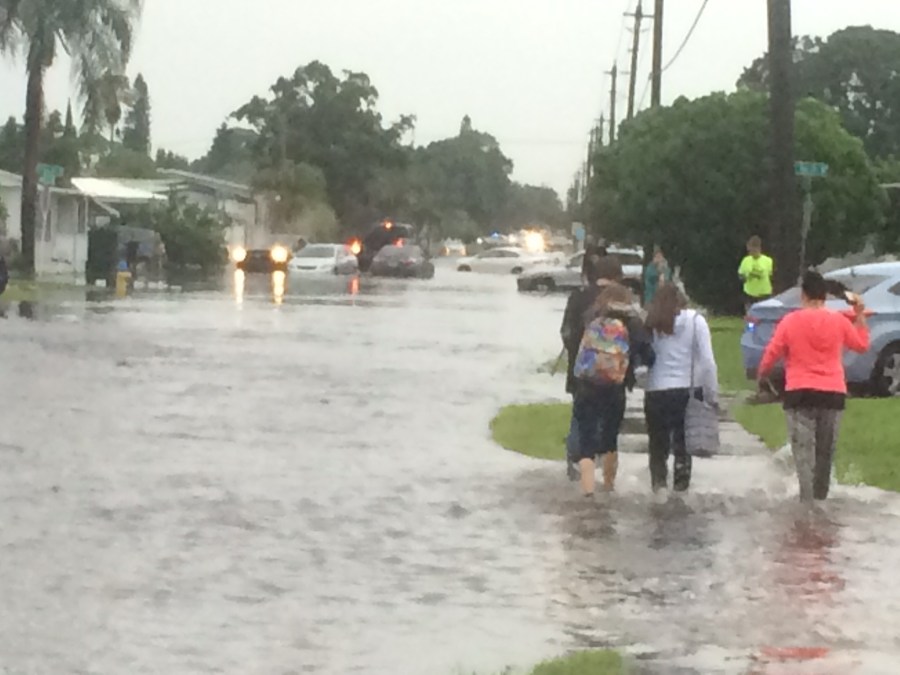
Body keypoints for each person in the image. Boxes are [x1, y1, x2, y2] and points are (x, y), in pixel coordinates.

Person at [757, 271, 869, 502]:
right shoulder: (839, 320)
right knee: (825, 454)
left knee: (803, 455)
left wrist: (762, 375)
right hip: (833, 394)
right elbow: (861, 345)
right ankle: (821, 502)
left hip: (799, 395)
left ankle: (806, 507)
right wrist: (860, 317)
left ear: (803, 295)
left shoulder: (790, 321)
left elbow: (771, 353)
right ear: (825, 296)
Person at [572, 283, 654, 496]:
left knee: (586, 437)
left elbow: (576, 344)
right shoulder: (633, 322)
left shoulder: (591, 316)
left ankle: (587, 490)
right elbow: (648, 355)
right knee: (610, 437)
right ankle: (609, 487)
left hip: (586, 384)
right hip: (614, 387)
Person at [644, 284, 719, 494]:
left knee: (657, 447)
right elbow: (707, 361)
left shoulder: (651, 322)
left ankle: (658, 490)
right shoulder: (696, 322)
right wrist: (712, 392)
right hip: (686, 391)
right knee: (683, 446)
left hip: (655, 391)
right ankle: (680, 493)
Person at [561, 255, 629, 481]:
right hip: (614, 375)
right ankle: (608, 484)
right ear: (617, 276)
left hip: (584, 374)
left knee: (581, 423)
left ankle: (580, 475)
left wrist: (577, 356)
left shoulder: (579, 297)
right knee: (609, 432)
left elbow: (566, 331)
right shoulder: (621, 301)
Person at [739, 235, 775, 312]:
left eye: (752, 250)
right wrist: (745, 277)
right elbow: (741, 275)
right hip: (750, 294)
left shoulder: (768, 261)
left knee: (764, 315)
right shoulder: (746, 260)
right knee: (751, 317)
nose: (750, 252)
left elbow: (770, 275)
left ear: (758, 248)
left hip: (764, 294)